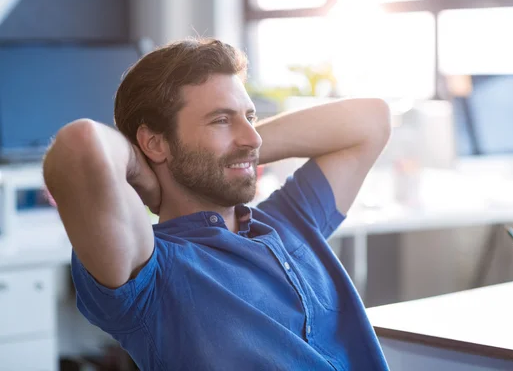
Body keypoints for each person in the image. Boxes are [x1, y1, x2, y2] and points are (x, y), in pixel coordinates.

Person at [43, 38, 391, 370]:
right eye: (221, 120)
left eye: (249, 117)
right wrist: (140, 171)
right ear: (154, 143)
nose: (253, 136)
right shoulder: (154, 273)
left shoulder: (291, 218)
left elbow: (373, 119)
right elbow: (80, 144)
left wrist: (238, 151)